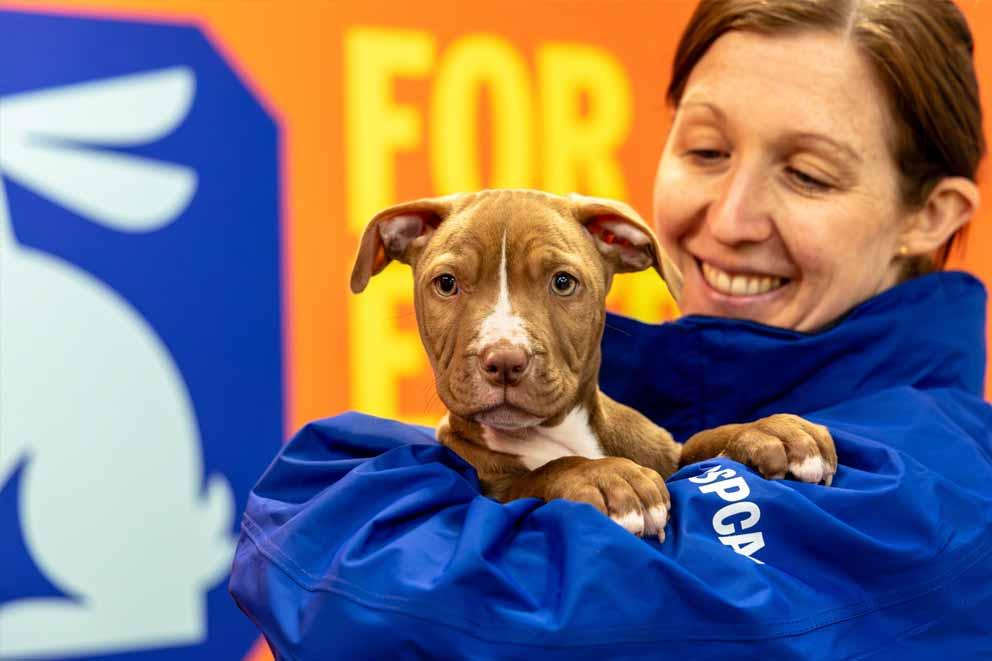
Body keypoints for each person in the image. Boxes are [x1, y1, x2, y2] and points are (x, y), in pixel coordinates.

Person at [230, 1, 992, 658]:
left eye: (808, 175)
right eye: (706, 150)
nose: (727, 220)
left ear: (930, 217)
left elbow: (466, 616)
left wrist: (322, 506)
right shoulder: (650, 389)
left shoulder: (934, 484)